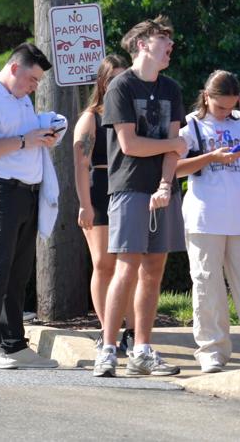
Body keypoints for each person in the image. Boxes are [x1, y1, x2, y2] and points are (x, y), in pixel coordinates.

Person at [95, 17, 188, 377]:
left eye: (170, 39)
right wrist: (173, 144)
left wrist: (166, 185)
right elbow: (129, 144)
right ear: (142, 44)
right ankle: (107, 349)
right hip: (128, 187)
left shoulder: (172, 89)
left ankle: (143, 350)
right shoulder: (121, 86)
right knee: (127, 267)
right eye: (163, 38)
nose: (170, 45)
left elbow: (173, 150)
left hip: (160, 190)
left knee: (154, 271)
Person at [0, 42, 61, 369]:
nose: (35, 86)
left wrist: (44, 136)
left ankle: (13, 343)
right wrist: (24, 140)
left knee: (18, 273)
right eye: (33, 79)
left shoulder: (22, 100)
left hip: (27, 192)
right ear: (15, 68)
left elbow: (24, 139)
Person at [174, 70, 240, 372]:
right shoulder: (190, 125)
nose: (226, 112)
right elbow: (173, 167)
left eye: (231, 107)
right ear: (206, 96)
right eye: (220, 107)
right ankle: (211, 351)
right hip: (205, 218)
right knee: (207, 286)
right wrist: (212, 157)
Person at [73, 54, 135, 354]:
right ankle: (106, 329)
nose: (120, 83)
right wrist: (84, 204)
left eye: (125, 77)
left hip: (130, 190)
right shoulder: (91, 117)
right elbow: (80, 164)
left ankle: (133, 332)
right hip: (99, 193)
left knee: (131, 264)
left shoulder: (133, 113)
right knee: (103, 263)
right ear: (103, 81)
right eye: (114, 78)